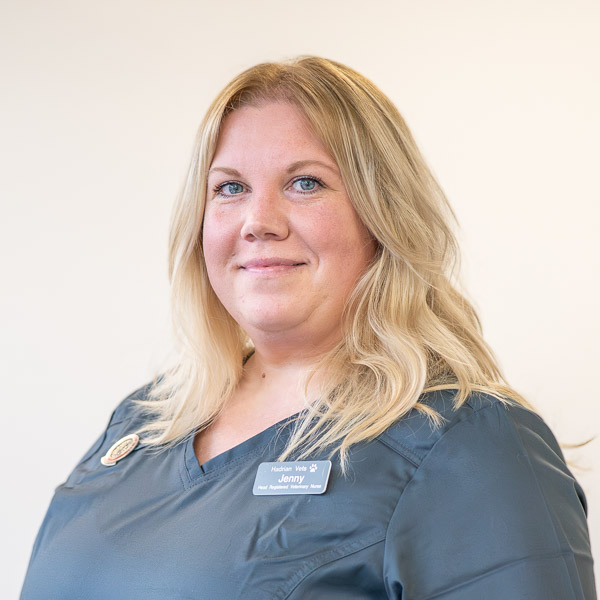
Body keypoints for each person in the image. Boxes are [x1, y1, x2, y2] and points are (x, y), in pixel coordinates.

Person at [21, 56, 596, 599]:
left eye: (305, 183)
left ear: (383, 216)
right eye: (230, 188)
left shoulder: (470, 447)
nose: (258, 222)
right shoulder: (144, 424)